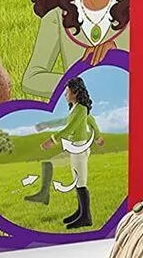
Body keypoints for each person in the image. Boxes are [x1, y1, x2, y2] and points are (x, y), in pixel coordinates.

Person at [35, 77, 103, 228]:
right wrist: (46, 125)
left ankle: (86, 217)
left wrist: (52, 140)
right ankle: (80, 212)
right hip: (75, 147)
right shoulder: (76, 108)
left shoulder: (81, 109)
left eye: (67, 92)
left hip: (79, 147)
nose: (65, 95)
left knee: (81, 181)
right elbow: (89, 121)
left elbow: (70, 128)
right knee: (77, 179)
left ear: (75, 92)